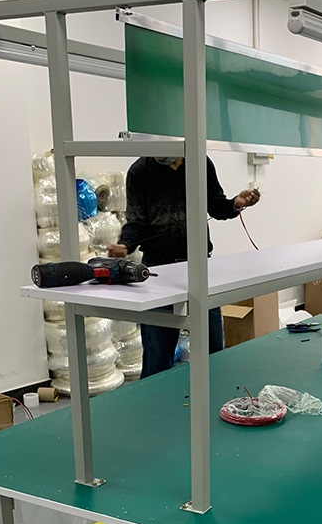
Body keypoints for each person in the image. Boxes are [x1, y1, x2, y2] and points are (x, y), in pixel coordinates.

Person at [108, 156, 260, 378]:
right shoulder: (140, 170)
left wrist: (236, 203)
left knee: (212, 350)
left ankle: (214, 395)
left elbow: (216, 206)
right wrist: (125, 245)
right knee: (157, 354)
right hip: (158, 271)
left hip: (198, 266)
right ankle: (156, 399)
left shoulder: (200, 162)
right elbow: (136, 222)